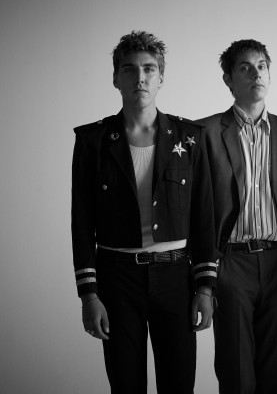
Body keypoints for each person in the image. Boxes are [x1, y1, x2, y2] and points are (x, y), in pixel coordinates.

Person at [71, 30, 219, 393]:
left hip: (175, 278)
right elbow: (81, 222)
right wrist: (89, 295)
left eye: (149, 69)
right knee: (125, 384)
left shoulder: (190, 138)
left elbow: (204, 216)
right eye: (130, 69)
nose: (140, 78)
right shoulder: (92, 141)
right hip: (117, 280)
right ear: (116, 78)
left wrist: (205, 287)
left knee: (178, 384)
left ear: (161, 77)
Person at [198, 39, 277, 394]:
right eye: (245, 67)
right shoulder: (205, 132)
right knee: (237, 373)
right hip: (230, 264)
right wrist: (208, 272)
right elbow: (198, 209)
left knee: (274, 375)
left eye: (261, 66)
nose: (256, 73)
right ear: (229, 80)